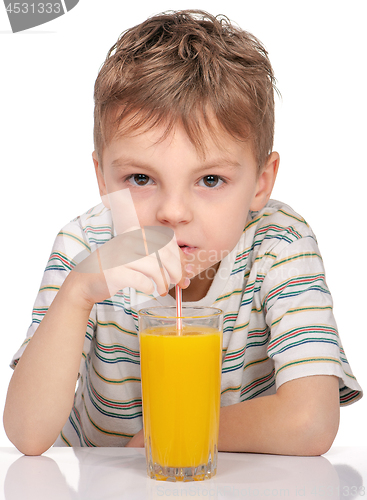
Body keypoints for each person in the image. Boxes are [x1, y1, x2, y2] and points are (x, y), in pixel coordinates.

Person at [3, 10, 362, 456]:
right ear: (102, 176)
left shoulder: (278, 245)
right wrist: (78, 292)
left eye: (210, 180)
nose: (172, 212)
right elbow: (27, 434)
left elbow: (311, 422)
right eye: (140, 178)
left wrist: (167, 435)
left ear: (261, 183)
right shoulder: (87, 246)